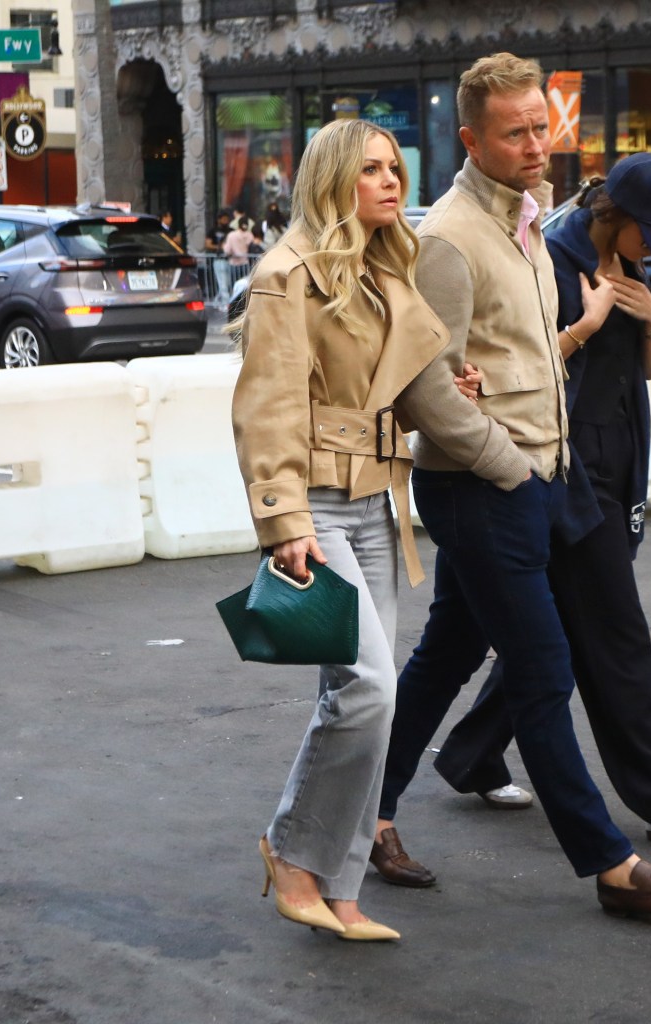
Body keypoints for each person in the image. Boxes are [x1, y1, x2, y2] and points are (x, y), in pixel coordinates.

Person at [371, 53, 651, 918]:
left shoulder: (522, 222)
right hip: (487, 488)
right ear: (470, 139)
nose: (535, 145)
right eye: (515, 131)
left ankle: (363, 813)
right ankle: (610, 866)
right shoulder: (449, 237)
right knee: (544, 672)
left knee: (443, 660)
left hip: (531, 484)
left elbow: (519, 362)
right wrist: (510, 468)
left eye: (540, 127)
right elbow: (423, 388)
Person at [430, 154, 651, 845]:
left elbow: (641, 372)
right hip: (556, 467)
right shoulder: (547, 259)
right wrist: (590, 318)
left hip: (613, 462)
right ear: (615, 213)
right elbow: (513, 367)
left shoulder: (630, 264)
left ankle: (471, 754)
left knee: (535, 634)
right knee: (612, 634)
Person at [230, 117, 452, 941]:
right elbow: (266, 407)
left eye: (395, 168)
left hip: (378, 506)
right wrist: (282, 520)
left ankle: (342, 886)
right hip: (317, 506)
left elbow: (390, 386)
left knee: (369, 703)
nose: (390, 182)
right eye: (370, 170)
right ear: (332, 181)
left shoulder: (386, 270)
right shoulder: (287, 275)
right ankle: (289, 851)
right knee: (367, 688)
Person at [223, 216, 256, 286]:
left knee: (234, 286)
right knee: (244, 286)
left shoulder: (231, 235)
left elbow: (227, 251)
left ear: (238, 224)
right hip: (245, 264)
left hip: (234, 264)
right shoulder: (250, 235)